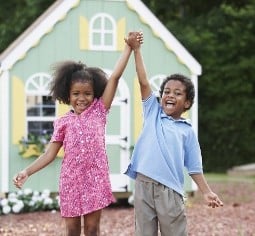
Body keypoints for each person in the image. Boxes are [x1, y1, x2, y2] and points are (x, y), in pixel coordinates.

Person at [13, 32, 143, 236]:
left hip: (96, 179)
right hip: (70, 181)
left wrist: (128, 47)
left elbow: (115, 77)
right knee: (72, 230)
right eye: (76, 94)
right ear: (67, 94)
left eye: (87, 94)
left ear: (95, 94)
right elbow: (49, 154)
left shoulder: (100, 111)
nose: (81, 98)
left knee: (92, 229)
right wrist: (27, 172)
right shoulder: (63, 122)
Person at [125, 32, 224, 236]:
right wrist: (136, 50)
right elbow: (144, 82)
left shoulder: (186, 131)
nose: (170, 95)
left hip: (169, 191)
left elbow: (194, 167)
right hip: (143, 185)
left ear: (186, 103)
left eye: (177, 94)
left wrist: (206, 191)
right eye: (167, 92)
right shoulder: (153, 111)